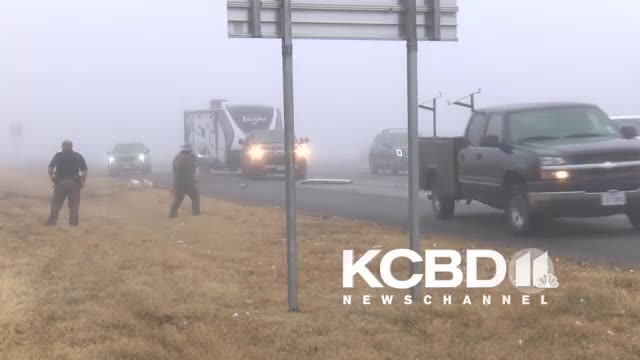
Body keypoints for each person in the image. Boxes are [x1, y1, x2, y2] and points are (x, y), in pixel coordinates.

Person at [47, 140, 88, 226]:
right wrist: (82, 183)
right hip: (74, 184)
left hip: (60, 183)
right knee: (74, 206)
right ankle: (73, 225)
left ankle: (51, 223)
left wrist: (52, 179)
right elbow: (84, 172)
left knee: (56, 205)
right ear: (72, 146)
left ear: (62, 146)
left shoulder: (58, 156)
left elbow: (50, 169)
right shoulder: (78, 156)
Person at [169, 144, 200, 218]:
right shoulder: (190, 157)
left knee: (178, 199)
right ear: (189, 150)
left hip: (178, 183)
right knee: (195, 197)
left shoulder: (177, 157)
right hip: (188, 183)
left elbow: (174, 169)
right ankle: (196, 214)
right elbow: (190, 170)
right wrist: (193, 180)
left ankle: (172, 215)